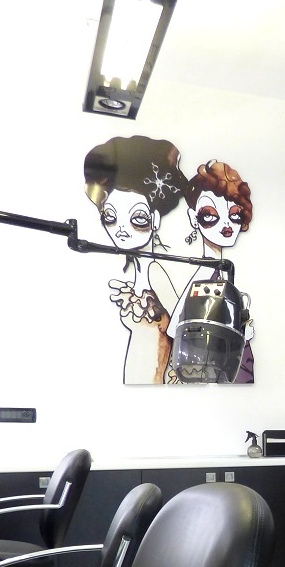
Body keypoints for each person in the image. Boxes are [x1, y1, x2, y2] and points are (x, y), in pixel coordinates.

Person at [83, 136, 187, 384]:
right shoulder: (140, 272)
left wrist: (162, 321)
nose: (121, 229)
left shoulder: (156, 272)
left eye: (137, 218)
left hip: (155, 382)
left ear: (155, 219)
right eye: (110, 217)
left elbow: (183, 329)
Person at [168, 161, 256, 383]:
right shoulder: (203, 278)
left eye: (235, 215)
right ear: (193, 217)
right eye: (210, 215)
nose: (226, 224)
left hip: (235, 365)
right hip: (210, 366)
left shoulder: (226, 274)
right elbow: (176, 329)